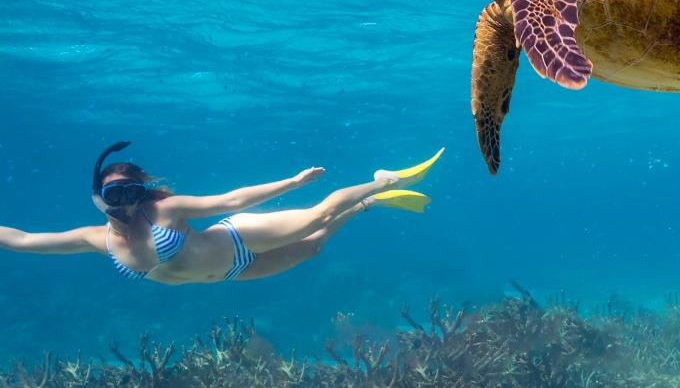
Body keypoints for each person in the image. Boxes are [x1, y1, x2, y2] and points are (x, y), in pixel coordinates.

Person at [0, 142, 444, 285]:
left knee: (315, 215)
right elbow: (20, 240)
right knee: (311, 248)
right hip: (230, 274)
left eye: (133, 192)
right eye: (114, 196)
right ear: (98, 198)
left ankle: (384, 179)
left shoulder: (166, 209)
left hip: (235, 239)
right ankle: (369, 203)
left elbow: (232, 200)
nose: (126, 203)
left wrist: (289, 183)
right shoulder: (93, 239)